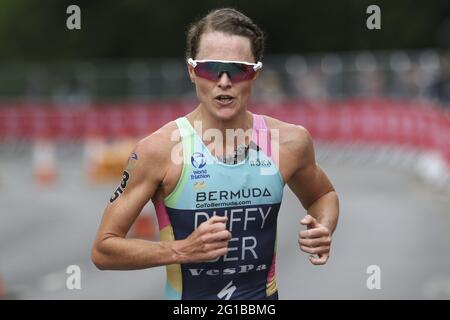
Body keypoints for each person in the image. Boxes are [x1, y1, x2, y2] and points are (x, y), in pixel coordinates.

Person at [91, 8, 339, 300]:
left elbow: (322, 195)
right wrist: (181, 250)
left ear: (255, 74)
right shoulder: (159, 150)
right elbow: (103, 249)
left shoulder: (289, 142)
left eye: (237, 69)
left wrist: (323, 227)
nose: (223, 81)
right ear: (192, 71)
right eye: (210, 69)